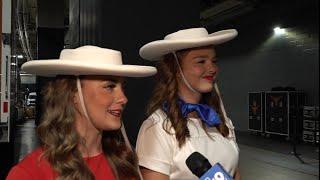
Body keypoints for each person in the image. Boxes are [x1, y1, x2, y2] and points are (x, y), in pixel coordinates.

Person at [7, 45, 157, 180]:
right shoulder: (30, 174)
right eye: (110, 86)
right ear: (74, 94)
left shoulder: (124, 163)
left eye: (122, 87)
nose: (123, 98)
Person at [136, 28, 241, 180]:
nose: (212, 68)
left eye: (214, 61)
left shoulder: (220, 119)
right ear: (176, 69)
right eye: (201, 61)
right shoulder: (156, 128)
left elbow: (235, 172)